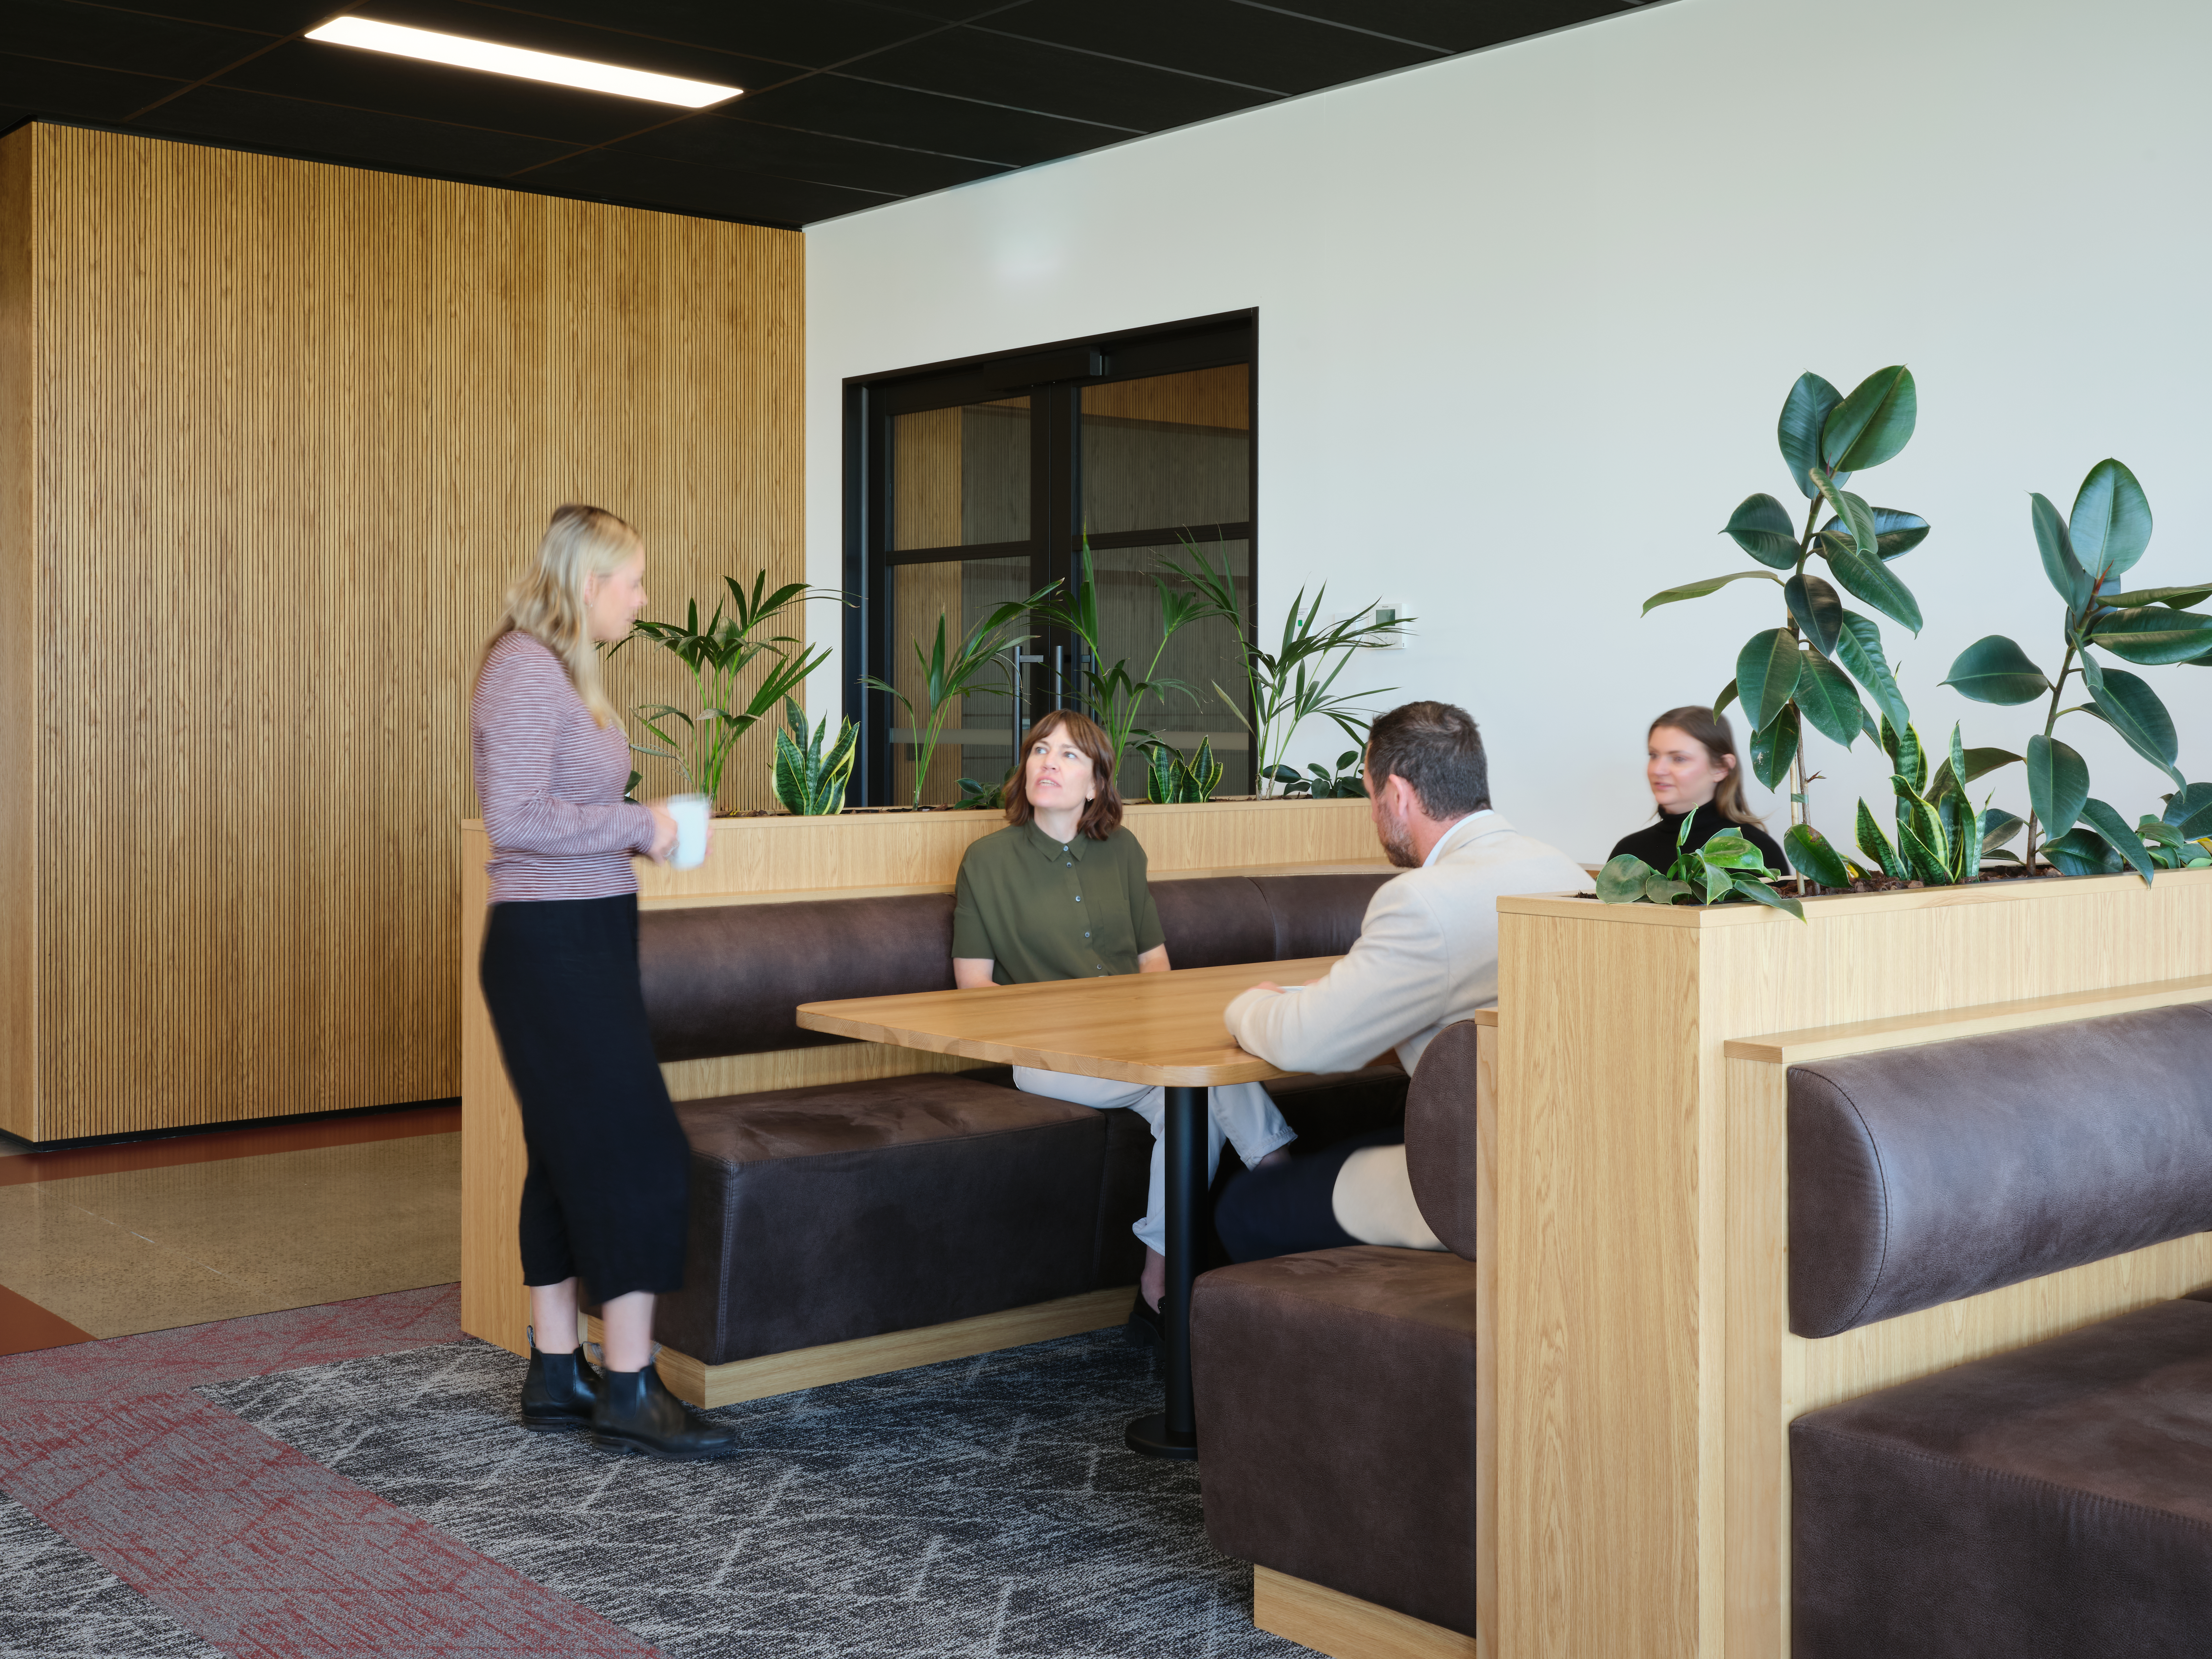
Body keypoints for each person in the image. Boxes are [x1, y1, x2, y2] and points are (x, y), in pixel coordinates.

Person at [472, 503, 738, 1461]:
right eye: (632, 580)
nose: (643, 597)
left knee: (565, 1157)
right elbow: (516, 818)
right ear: (590, 584)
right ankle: (627, 1387)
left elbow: (561, 810)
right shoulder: (521, 670)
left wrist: (638, 832)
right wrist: (644, 824)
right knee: (641, 1156)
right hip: (552, 948)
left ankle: (557, 1373)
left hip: (577, 935)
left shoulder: (560, 671)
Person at [952, 709, 1296, 1334]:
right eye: (1039, 751)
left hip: (1139, 1044)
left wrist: (1162, 1035)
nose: (1048, 763)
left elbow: (1154, 967)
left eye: (1069, 755)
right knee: (1197, 1085)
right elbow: (973, 985)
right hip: (1048, 1057)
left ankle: (1157, 1286)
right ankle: (1284, 1184)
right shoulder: (986, 860)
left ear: (1095, 785)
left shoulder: (1123, 851)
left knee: (1189, 1099)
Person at [1213, 701, 1589, 1261]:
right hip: (1567, 1157)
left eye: (1370, 797)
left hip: (1484, 1178)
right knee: (1348, 1146)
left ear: (1398, 793)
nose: (1372, 816)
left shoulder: (1422, 900)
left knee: (1241, 1205)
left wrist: (1246, 1006)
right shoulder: (1563, 870)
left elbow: (1307, 1040)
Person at [1608, 706, 1786, 873]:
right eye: (1654, 755)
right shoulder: (1628, 852)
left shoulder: (1754, 852)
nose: (1657, 770)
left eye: (1678, 758)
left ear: (1722, 768)